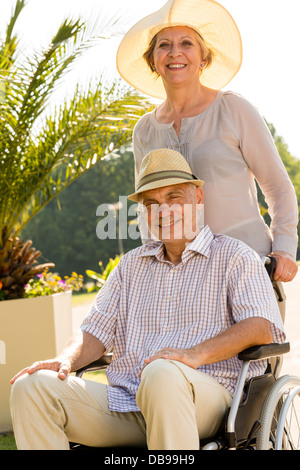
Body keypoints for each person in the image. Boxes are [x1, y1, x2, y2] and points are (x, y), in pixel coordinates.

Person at [10, 149, 285, 450]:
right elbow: (93, 332)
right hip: (128, 401)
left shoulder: (234, 256)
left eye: (174, 197)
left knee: (163, 373)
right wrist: (65, 359)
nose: (163, 211)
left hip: (207, 398)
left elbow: (262, 326)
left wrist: (193, 355)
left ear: (198, 198)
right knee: (31, 386)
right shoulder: (130, 266)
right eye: (152, 203)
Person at [116, 0, 298, 294]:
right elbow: (147, 209)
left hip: (248, 269)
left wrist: (285, 249)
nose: (175, 52)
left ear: (203, 58)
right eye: (164, 45)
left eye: (186, 43)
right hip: (182, 281)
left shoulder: (234, 109)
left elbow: (277, 186)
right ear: (153, 61)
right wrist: (152, 264)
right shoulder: (144, 130)